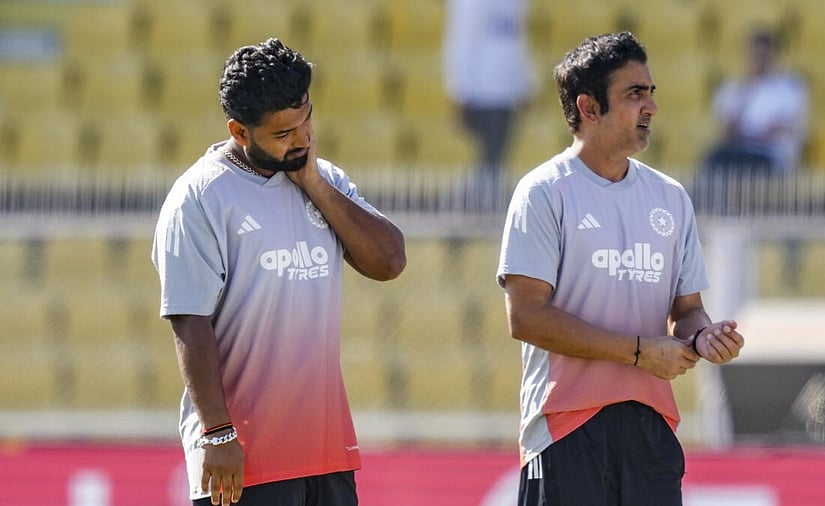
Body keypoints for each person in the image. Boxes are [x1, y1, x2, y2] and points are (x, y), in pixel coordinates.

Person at [151, 38, 406, 506]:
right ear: (240, 130)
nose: (303, 137)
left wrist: (313, 184)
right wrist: (217, 433)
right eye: (283, 133)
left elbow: (389, 262)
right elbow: (190, 320)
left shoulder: (324, 178)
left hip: (325, 450)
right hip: (244, 458)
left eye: (306, 117)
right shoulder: (201, 197)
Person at [496, 32, 745, 505]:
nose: (650, 106)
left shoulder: (670, 197)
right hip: (567, 429)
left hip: (651, 429)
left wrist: (703, 336)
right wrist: (636, 353)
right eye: (634, 94)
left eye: (651, 93)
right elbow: (525, 317)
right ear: (589, 108)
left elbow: (687, 308)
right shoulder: (544, 192)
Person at [442, 0, 536, 209]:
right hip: (481, 92)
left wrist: (524, 84)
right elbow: (461, 42)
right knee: (490, 158)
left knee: (494, 159)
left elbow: (518, 41)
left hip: (506, 92)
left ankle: (471, 215)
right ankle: (465, 216)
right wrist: (460, 91)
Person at [702, 27, 809, 178]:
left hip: (769, 155)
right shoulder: (733, 87)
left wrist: (756, 135)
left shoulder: (790, 88)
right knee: (714, 159)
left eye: (765, 54)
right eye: (756, 54)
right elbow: (724, 127)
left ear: (776, 55)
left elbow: (791, 128)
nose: (760, 60)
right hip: (738, 150)